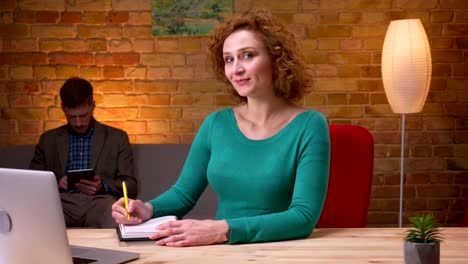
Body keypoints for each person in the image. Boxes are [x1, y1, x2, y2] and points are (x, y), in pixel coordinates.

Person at [111, 10, 330, 246]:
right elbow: (183, 194)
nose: (236, 69)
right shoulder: (216, 124)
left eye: (247, 55)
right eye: (229, 59)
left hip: (281, 252)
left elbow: (303, 218)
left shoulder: (310, 125)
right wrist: (147, 208)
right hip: (221, 252)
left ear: (276, 58)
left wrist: (223, 230)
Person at [30, 77, 137, 228]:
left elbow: (131, 186)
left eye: (83, 115)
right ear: (63, 108)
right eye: (72, 117)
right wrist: (57, 184)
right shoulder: (48, 140)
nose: (78, 123)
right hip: (60, 202)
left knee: (119, 219)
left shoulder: (117, 138)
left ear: (93, 105)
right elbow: (31, 185)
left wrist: (103, 185)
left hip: (101, 202)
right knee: (34, 220)